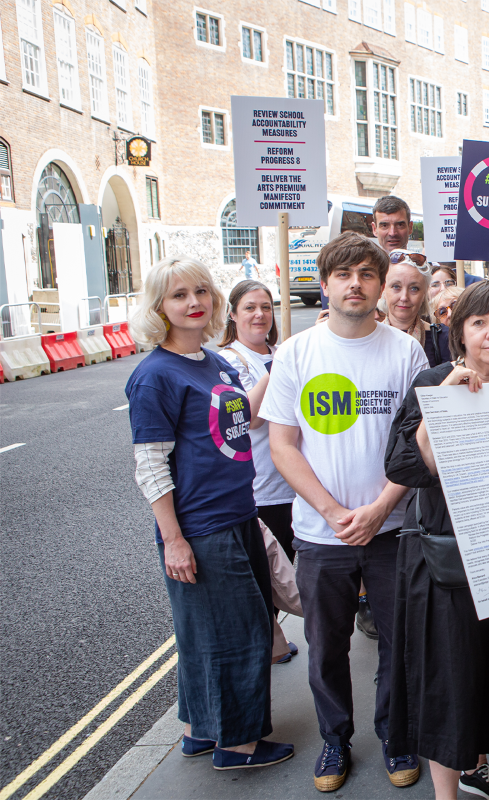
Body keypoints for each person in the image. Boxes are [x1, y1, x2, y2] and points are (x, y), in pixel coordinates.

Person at [261, 232, 429, 792]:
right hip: (320, 532)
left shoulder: (406, 351)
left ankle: (396, 734)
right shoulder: (295, 354)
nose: (354, 284)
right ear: (326, 283)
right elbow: (283, 444)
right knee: (326, 647)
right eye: (343, 274)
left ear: (381, 286)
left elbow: (420, 443)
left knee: (400, 642)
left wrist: (382, 506)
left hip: (393, 527)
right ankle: (335, 739)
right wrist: (333, 511)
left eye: (366, 274)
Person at [386, 281, 489, 800]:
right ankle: (446, 795)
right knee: (450, 678)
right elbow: (404, 467)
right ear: (458, 329)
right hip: (445, 561)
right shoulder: (432, 381)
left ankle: (476, 767)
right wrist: (441, 405)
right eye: (480, 322)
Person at [125, 257, 293, 770]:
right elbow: (150, 466)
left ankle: (200, 731)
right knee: (240, 633)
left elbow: (247, 421)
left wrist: (280, 367)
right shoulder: (154, 377)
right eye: (178, 295)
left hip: (240, 513)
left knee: (205, 636)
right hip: (202, 527)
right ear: (159, 307)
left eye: (201, 291)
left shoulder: (216, 364)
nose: (193, 302)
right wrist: (173, 539)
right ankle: (238, 746)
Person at [216, 280, 300, 664]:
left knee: (291, 572)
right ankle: (269, 641)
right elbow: (245, 419)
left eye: (266, 307)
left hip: (296, 482)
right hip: (259, 486)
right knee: (264, 575)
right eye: (250, 307)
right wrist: (277, 369)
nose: (260, 315)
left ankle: (274, 637)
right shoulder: (227, 361)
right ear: (233, 314)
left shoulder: (285, 352)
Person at [382, 251, 447, 368]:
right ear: (383, 290)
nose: (404, 297)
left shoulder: (443, 338)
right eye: (396, 287)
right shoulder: (365, 338)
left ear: (424, 294)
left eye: (414, 288)